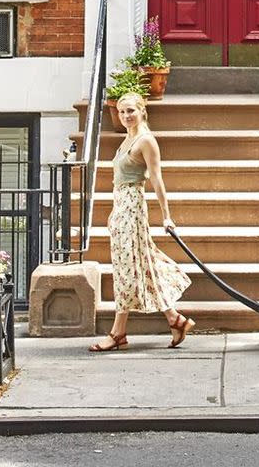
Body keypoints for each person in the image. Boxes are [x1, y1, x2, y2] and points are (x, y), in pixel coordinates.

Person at [90, 92, 194, 352]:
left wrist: (166, 215)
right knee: (137, 264)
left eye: (131, 111)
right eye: (123, 111)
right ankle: (174, 319)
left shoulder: (146, 141)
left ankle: (117, 333)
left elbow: (157, 180)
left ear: (142, 111)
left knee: (128, 268)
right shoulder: (127, 139)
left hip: (134, 207)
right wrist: (114, 214)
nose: (126, 116)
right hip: (121, 207)